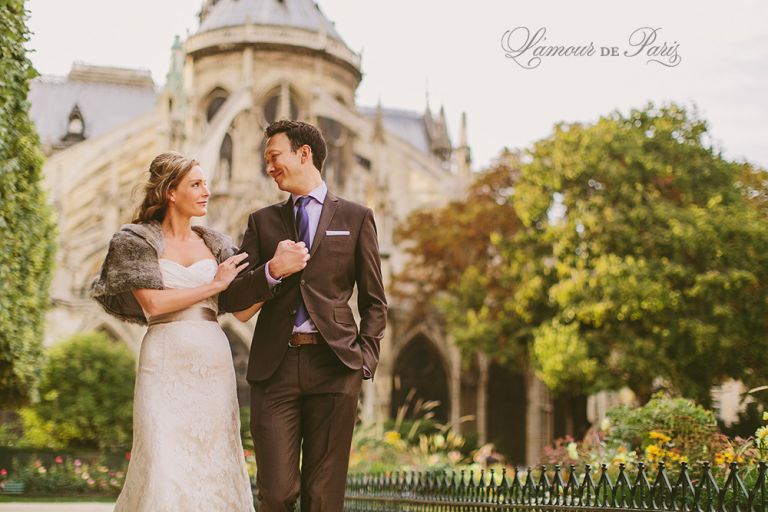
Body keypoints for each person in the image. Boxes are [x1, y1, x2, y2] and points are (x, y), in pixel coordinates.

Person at [220, 120, 388, 512]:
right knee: (276, 494)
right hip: (275, 369)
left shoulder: (356, 217)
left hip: (335, 365)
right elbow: (235, 301)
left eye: (273, 156)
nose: (268, 167)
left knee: (324, 498)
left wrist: (365, 360)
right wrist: (272, 271)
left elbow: (375, 301)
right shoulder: (261, 221)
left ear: (304, 154)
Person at [92, 151, 264, 511]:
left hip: (213, 361)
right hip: (164, 358)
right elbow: (153, 305)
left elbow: (243, 310)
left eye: (206, 183)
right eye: (196, 184)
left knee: (215, 457)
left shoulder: (217, 244)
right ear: (171, 192)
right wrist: (215, 285)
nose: (207, 191)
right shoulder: (134, 241)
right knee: (162, 457)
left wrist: (274, 276)